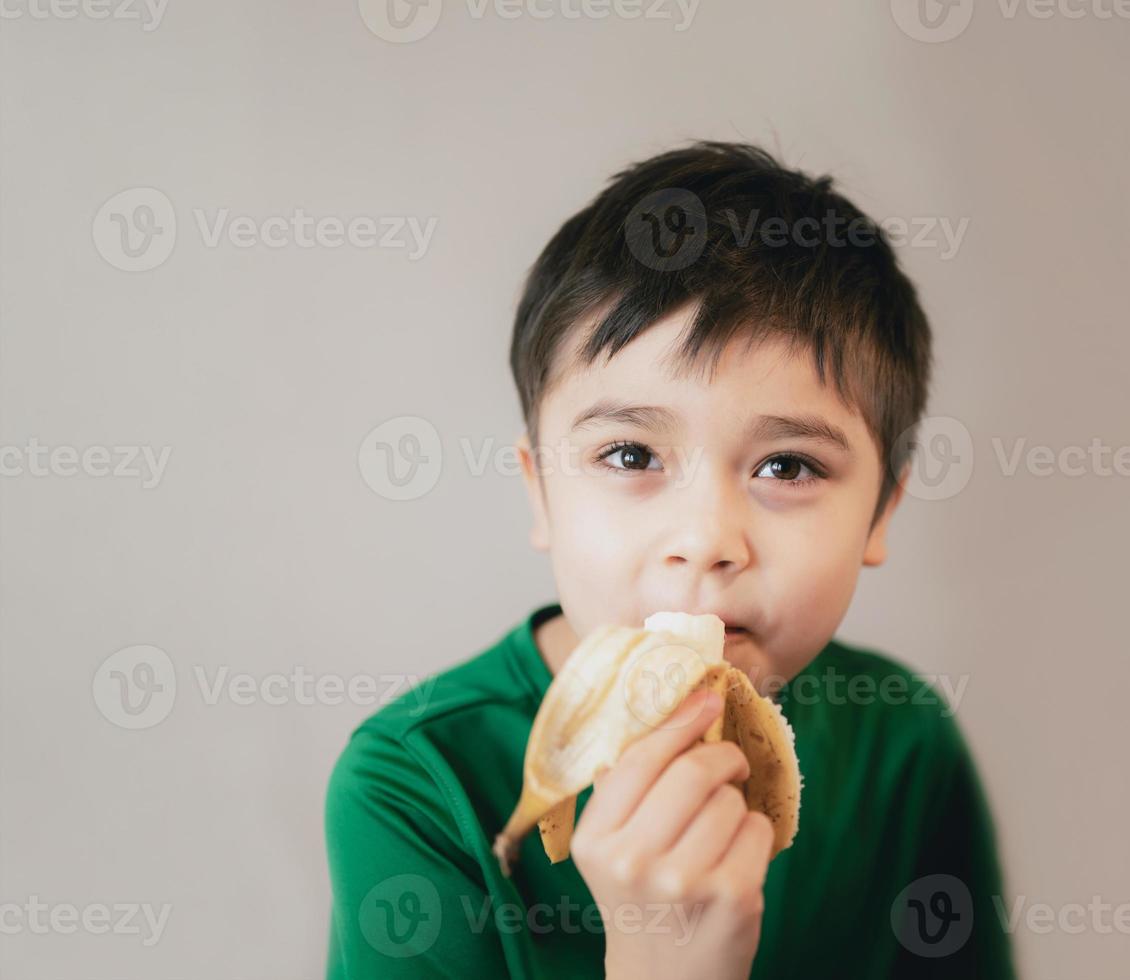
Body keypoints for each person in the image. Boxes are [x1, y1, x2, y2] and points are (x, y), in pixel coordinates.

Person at [324, 140, 1015, 979]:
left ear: (880, 512)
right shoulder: (416, 783)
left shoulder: (904, 746)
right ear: (540, 492)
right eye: (629, 456)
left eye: (787, 467)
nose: (707, 540)